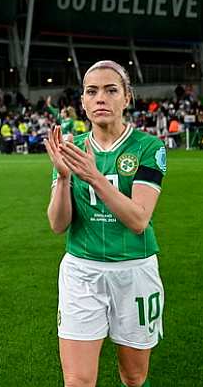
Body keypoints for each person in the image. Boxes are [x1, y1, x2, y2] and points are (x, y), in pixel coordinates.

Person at [44, 60, 167, 387]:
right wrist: (64, 177)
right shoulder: (70, 147)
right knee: (78, 381)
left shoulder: (148, 148)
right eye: (92, 91)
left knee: (134, 376)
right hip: (81, 272)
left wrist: (94, 177)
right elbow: (58, 224)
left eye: (111, 90)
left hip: (134, 272)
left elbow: (139, 220)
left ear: (127, 98)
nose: (101, 98)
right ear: (83, 102)